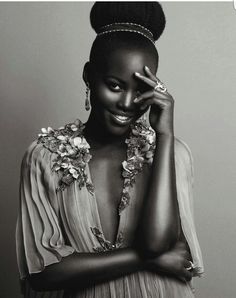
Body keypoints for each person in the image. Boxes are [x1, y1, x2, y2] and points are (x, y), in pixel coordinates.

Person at [16, 2, 204, 298]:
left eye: (141, 89)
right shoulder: (45, 156)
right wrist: (146, 258)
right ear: (89, 76)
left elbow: (160, 243)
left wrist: (165, 134)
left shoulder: (172, 154)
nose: (128, 103)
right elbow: (44, 273)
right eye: (115, 86)